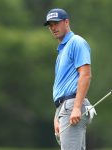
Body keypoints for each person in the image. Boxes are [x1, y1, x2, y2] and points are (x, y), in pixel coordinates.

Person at [44, 8, 96, 150]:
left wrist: (77, 107)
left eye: (56, 23)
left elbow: (85, 74)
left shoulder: (76, 42)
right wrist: (57, 115)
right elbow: (62, 88)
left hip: (72, 106)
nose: (53, 28)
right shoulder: (62, 50)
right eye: (50, 25)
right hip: (64, 108)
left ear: (66, 22)